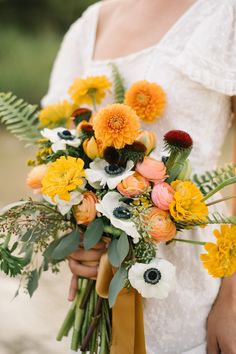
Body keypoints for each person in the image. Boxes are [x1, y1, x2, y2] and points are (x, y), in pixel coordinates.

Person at [42, 0, 236, 353]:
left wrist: (233, 300)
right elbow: (58, 146)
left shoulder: (225, 14)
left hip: (197, 293)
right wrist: (80, 232)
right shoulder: (92, 23)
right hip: (102, 291)